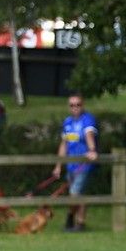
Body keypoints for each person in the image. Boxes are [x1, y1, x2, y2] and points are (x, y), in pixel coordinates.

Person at [51, 95, 98, 232]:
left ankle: (70, 218)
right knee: (80, 193)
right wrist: (58, 165)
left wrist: (92, 150)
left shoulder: (87, 119)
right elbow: (64, 144)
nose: (75, 107)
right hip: (70, 164)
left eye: (78, 104)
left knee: (74, 194)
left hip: (84, 164)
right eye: (72, 105)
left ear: (82, 106)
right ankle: (80, 223)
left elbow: (89, 135)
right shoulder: (67, 122)